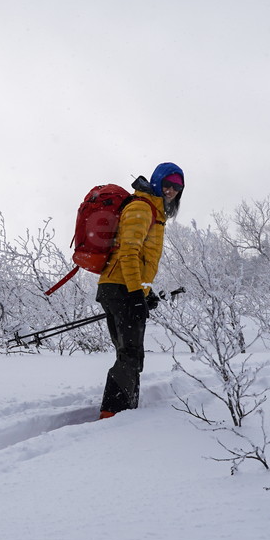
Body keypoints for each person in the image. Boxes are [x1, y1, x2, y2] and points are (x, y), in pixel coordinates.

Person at [96, 162, 184, 418]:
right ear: (157, 181)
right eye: (167, 184)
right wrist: (136, 293)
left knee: (129, 354)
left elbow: (140, 259)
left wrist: (145, 293)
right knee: (131, 355)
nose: (171, 191)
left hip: (120, 287)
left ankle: (122, 410)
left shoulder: (152, 210)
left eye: (177, 187)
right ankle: (114, 413)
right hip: (121, 288)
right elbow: (129, 251)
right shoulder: (141, 208)